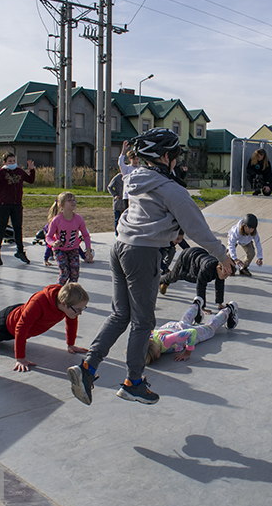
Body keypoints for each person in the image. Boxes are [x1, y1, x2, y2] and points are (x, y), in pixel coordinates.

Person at [67, 128, 236, 406]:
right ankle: (133, 381)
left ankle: (88, 368)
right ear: (166, 156)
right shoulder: (171, 189)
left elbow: (152, 216)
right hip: (141, 255)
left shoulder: (134, 178)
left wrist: (168, 233)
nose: (178, 161)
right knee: (143, 321)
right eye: (176, 155)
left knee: (121, 314)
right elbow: (197, 227)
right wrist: (222, 255)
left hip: (118, 246)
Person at [0, 283, 90, 372]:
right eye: (78, 310)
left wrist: (71, 344)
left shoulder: (67, 305)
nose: (80, 313)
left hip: (17, 313)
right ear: (64, 303)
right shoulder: (40, 302)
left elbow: (72, 321)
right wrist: (20, 358)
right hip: (7, 325)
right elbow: (21, 328)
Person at [145, 297, 239, 364]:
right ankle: (196, 303)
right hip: (172, 327)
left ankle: (228, 310)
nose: (158, 356)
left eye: (156, 354)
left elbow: (191, 332)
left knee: (209, 329)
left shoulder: (166, 341)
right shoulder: (148, 338)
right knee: (185, 320)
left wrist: (187, 353)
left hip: (181, 332)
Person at [0, 153, 35, 265]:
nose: (12, 163)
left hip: (17, 204)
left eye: (14, 160)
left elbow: (30, 180)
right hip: (4, 204)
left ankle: (20, 251)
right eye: (10, 161)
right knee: (1, 228)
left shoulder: (19, 171)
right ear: (5, 162)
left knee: (18, 228)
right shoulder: (1, 172)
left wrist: (31, 170)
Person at [159, 246, 230, 311]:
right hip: (187, 256)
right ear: (218, 268)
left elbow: (219, 286)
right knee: (174, 277)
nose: (225, 277)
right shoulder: (207, 268)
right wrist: (202, 307)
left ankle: (167, 281)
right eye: (225, 274)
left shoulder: (221, 270)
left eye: (227, 275)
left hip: (198, 256)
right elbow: (201, 287)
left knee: (180, 276)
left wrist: (220, 303)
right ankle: (159, 280)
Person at [46, 192, 93, 285]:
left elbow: (86, 235)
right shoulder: (56, 220)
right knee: (65, 273)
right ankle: (58, 292)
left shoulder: (78, 219)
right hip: (59, 250)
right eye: (69, 200)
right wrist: (53, 243)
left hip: (73, 249)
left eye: (74, 199)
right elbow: (48, 236)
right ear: (61, 205)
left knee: (75, 275)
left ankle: (71, 294)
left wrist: (88, 249)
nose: (73, 202)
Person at [118, 140, 140, 206]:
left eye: (137, 159)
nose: (136, 161)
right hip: (127, 196)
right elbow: (120, 163)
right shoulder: (126, 169)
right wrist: (123, 151)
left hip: (138, 196)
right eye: (134, 159)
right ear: (130, 159)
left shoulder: (141, 169)